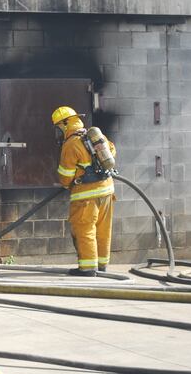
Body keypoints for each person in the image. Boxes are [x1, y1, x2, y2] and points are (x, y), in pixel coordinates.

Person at [53, 106, 117, 277]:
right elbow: (112, 151)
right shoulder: (96, 136)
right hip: (107, 191)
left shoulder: (71, 144)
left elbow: (66, 176)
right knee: (103, 230)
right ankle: (102, 266)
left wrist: (67, 183)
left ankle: (88, 268)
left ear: (66, 124)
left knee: (85, 230)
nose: (58, 131)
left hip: (86, 197)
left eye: (59, 127)